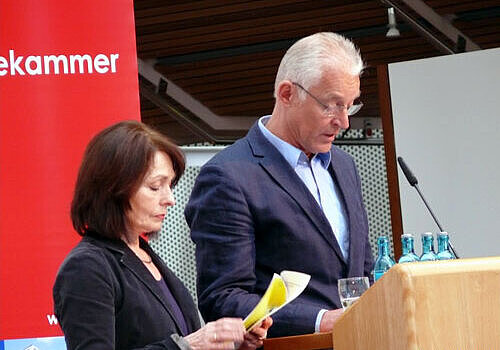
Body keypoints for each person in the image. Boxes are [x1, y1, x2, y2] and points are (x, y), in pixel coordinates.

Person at [185, 32, 374, 338]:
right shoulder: (228, 176)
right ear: (287, 94)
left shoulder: (344, 166)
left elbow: (361, 272)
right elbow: (223, 298)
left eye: (349, 106)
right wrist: (320, 320)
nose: (344, 121)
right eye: (332, 105)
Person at [53, 121, 272, 350]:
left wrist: (228, 344)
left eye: (170, 186)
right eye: (155, 187)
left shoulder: (143, 254)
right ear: (113, 188)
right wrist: (189, 345)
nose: (170, 199)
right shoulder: (87, 267)